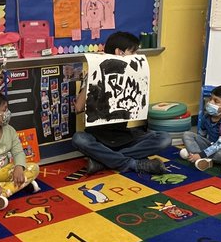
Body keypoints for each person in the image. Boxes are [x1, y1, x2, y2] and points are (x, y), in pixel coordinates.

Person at [69, 31, 170, 179]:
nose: (136, 55)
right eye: (133, 52)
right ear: (120, 52)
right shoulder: (94, 71)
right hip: (98, 138)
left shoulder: (134, 73)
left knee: (164, 139)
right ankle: (134, 164)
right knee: (79, 139)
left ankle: (102, 161)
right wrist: (92, 76)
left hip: (124, 136)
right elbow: (78, 108)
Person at [180, 85, 221, 171]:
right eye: (210, 99)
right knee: (187, 134)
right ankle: (199, 158)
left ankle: (197, 157)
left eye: (216, 101)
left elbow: (220, 144)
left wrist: (201, 154)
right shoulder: (206, 116)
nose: (211, 102)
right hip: (210, 144)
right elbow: (201, 135)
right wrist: (199, 149)